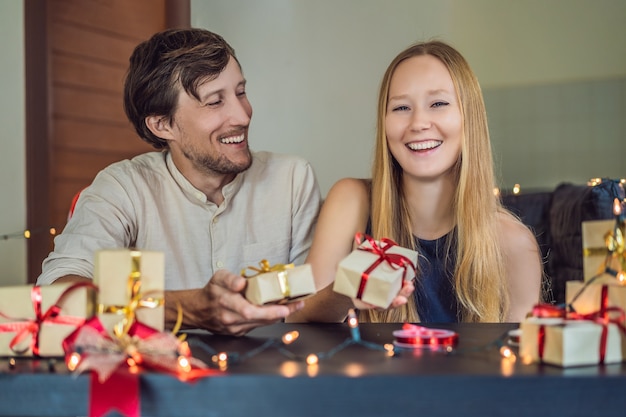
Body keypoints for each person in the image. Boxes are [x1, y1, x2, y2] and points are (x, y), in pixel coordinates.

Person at [36, 28, 322, 335]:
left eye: (240, 92)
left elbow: (312, 302)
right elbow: (57, 297)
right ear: (162, 125)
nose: (242, 116)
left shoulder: (292, 179)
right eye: (215, 102)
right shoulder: (122, 188)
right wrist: (187, 309)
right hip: (159, 379)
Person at [288, 40, 542, 324]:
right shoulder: (350, 200)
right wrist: (348, 291)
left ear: (468, 118)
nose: (418, 123)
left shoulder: (514, 243)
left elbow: (522, 363)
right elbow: (298, 322)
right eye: (401, 108)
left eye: (438, 104)